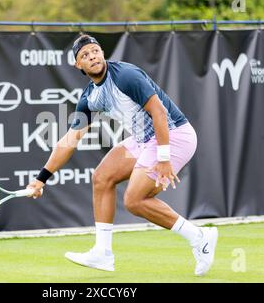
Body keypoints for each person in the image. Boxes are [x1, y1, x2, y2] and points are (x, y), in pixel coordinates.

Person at [27, 34, 218, 276]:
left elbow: (158, 112)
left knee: (134, 200)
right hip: (143, 140)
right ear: (79, 65)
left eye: (95, 51)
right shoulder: (89, 98)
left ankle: (200, 237)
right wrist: (41, 179)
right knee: (102, 177)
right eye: (84, 55)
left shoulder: (127, 75)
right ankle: (103, 254)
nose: (92, 56)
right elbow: (69, 141)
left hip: (174, 136)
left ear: (102, 53)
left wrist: (163, 157)